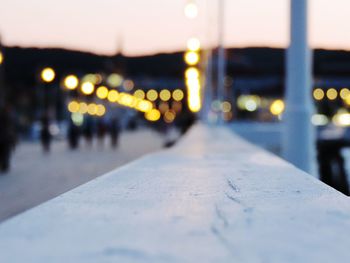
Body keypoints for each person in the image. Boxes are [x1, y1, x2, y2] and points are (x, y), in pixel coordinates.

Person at [0, 106, 12, 173]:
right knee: (5, 152)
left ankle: (4, 165)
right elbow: (9, 129)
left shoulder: (6, 117)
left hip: (4, 138)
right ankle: (5, 165)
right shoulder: (7, 117)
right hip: (5, 138)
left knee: (3, 153)